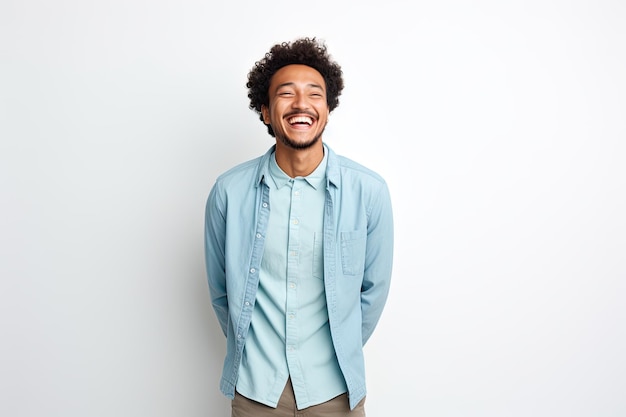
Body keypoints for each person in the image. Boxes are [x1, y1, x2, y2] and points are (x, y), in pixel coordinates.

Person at [204, 37, 394, 417]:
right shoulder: (228, 192)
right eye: (286, 94)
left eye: (314, 94)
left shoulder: (369, 191)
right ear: (265, 111)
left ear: (327, 108)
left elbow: (372, 293)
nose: (301, 104)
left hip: (335, 390)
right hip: (256, 391)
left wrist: (339, 347)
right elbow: (222, 292)